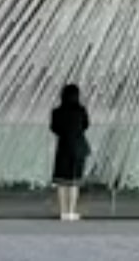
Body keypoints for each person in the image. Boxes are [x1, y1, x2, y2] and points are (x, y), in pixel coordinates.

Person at [49, 83, 91, 221]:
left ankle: (63, 212)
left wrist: (65, 133)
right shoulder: (81, 111)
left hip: (63, 148)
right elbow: (86, 125)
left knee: (62, 182)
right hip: (78, 148)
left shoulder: (56, 112)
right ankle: (72, 212)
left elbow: (54, 128)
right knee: (74, 182)